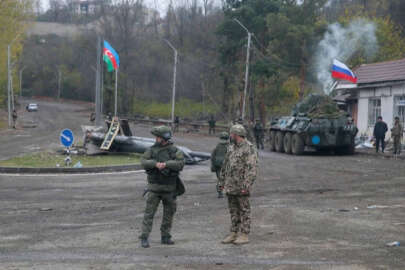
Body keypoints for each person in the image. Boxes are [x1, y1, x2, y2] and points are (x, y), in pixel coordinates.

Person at [140, 126, 185, 248]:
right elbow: (143, 161)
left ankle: (165, 236)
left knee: (168, 214)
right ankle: (144, 237)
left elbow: (181, 163)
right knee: (149, 214)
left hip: (169, 189)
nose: (156, 139)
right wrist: (155, 164)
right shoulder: (151, 150)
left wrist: (166, 164)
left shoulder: (174, 150)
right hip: (154, 188)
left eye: (158, 137)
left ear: (164, 138)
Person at [219, 124, 258, 245]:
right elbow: (225, 166)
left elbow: (251, 169)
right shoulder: (231, 148)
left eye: (231, 134)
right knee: (233, 210)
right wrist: (221, 182)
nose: (230, 136)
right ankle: (234, 233)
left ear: (236, 135)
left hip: (241, 186)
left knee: (244, 210)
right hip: (230, 185)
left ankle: (244, 234)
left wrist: (246, 186)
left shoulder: (249, 148)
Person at [211, 132, 229, 198]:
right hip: (227, 166)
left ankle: (220, 193)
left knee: (220, 179)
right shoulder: (230, 146)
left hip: (217, 165)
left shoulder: (217, 146)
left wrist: (213, 166)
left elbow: (212, 156)